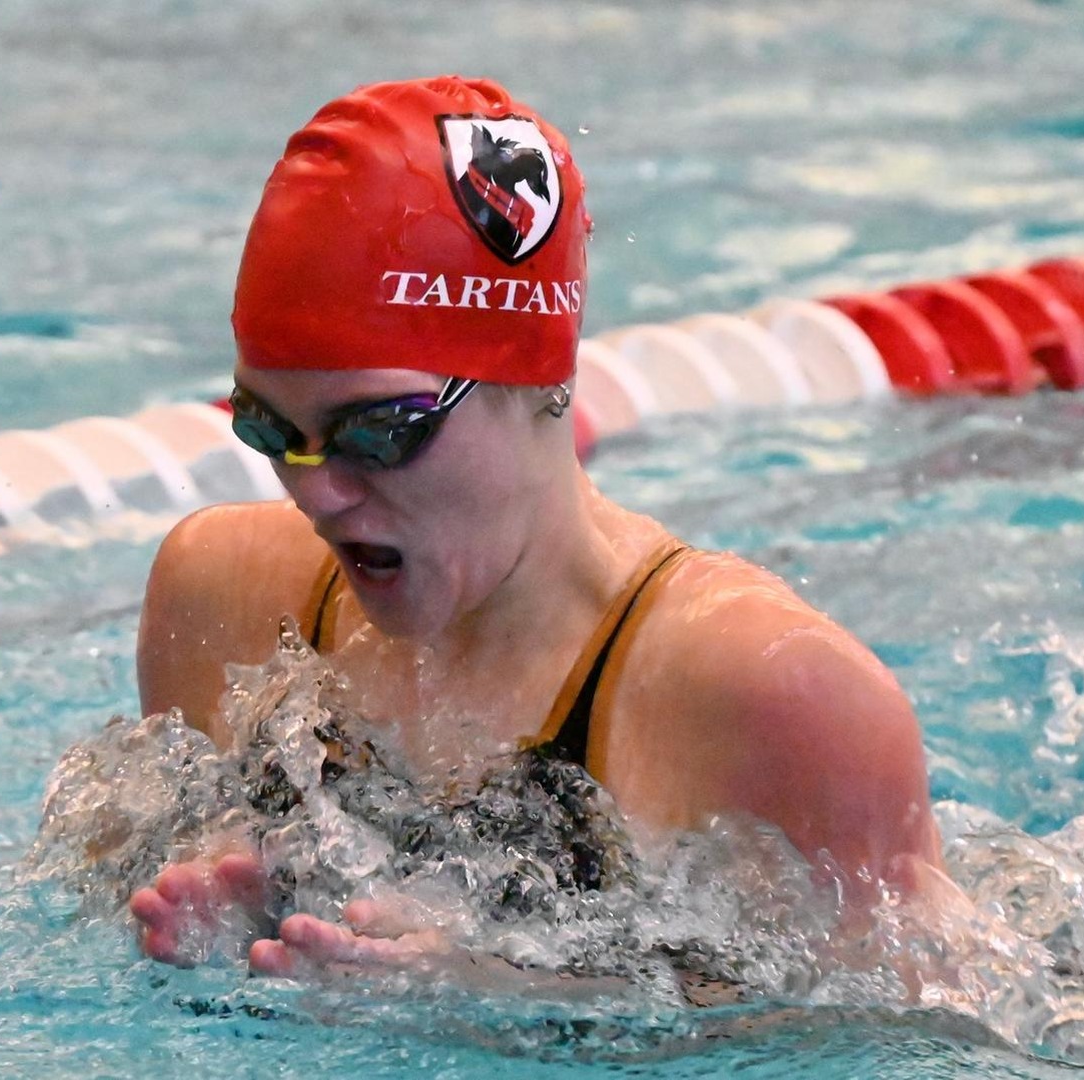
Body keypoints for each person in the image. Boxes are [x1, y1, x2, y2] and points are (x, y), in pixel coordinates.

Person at [129, 76, 950, 978]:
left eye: (380, 431)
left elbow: (911, 1034)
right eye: (271, 430)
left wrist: (511, 1003)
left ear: (535, 380)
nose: (317, 493)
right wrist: (208, 901)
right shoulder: (219, 595)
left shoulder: (776, 700)